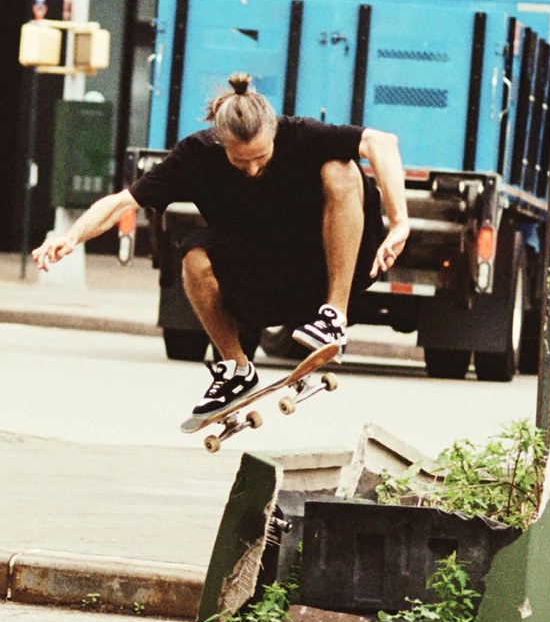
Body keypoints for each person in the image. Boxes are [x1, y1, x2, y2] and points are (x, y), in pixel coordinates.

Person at [32, 72, 410, 421]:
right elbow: (121, 202)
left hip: (329, 263)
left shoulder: (301, 134)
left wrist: (399, 221)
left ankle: (334, 318)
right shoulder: (195, 155)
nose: (252, 169)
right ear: (219, 140)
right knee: (194, 256)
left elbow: (382, 143)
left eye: (261, 157)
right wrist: (70, 237)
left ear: (274, 131)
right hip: (261, 277)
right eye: (238, 160)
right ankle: (237, 370)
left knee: (341, 169)